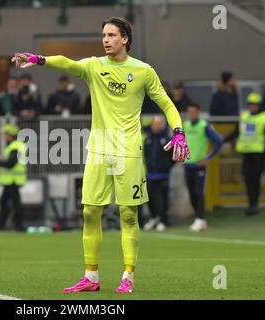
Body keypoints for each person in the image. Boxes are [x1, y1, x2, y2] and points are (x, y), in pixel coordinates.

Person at [11, 16, 190, 293]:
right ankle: (91, 277)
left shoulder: (143, 71)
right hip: (98, 149)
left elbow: (167, 104)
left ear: (125, 38)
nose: (105, 40)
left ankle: (128, 275)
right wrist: (38, 59)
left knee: (129, 215)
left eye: (111, 35)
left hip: (128, 150)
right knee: (91, 212)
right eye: (104, 35)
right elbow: (68, 63)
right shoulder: (94, 66)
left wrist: (178, 131)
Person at [224, 93, 265, 215]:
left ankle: (254, 204)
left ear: (259, 105)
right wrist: (223, 140)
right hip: (246, 152)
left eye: (255, 104)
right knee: (247, 178)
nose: (252, 106)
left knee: (255, 179)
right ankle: (251, 204)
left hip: (259, 153)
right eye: (251, 104)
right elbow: (236, 132)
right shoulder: (244, 116)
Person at [183, 103, 223, 231]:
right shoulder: (185, 125)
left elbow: (219, 141)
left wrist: (209, 157)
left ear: (198, 112)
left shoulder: (204, 126)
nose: (192, 114)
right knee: (191, 193)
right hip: (187, 164)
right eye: (189, 112)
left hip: (199, 166)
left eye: (194, 112)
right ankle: (199, 218)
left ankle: (200, 218)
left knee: (199, 192)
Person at [0, 124, 27, 231]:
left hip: (13, 179)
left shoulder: (15, 146)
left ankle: (16, 225)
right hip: (12, 179)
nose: (5, 136)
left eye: (6, 133)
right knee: (6, 201)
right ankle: (9, 224)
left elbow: (11, 163)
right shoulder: (15, 145)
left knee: (13, 202)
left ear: (11, 134)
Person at [142, 116, 174, 232]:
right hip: (151, 174)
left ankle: (163, 220)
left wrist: (167, 166)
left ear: (162, 125)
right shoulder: (148, 139)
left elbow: (173, 156)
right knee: (148, 196)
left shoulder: (167, 139)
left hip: (163, 174)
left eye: (159, 124)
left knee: (163, 198)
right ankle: (154, 216)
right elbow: (145, 154)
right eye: (155, 124)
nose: (156, 126)